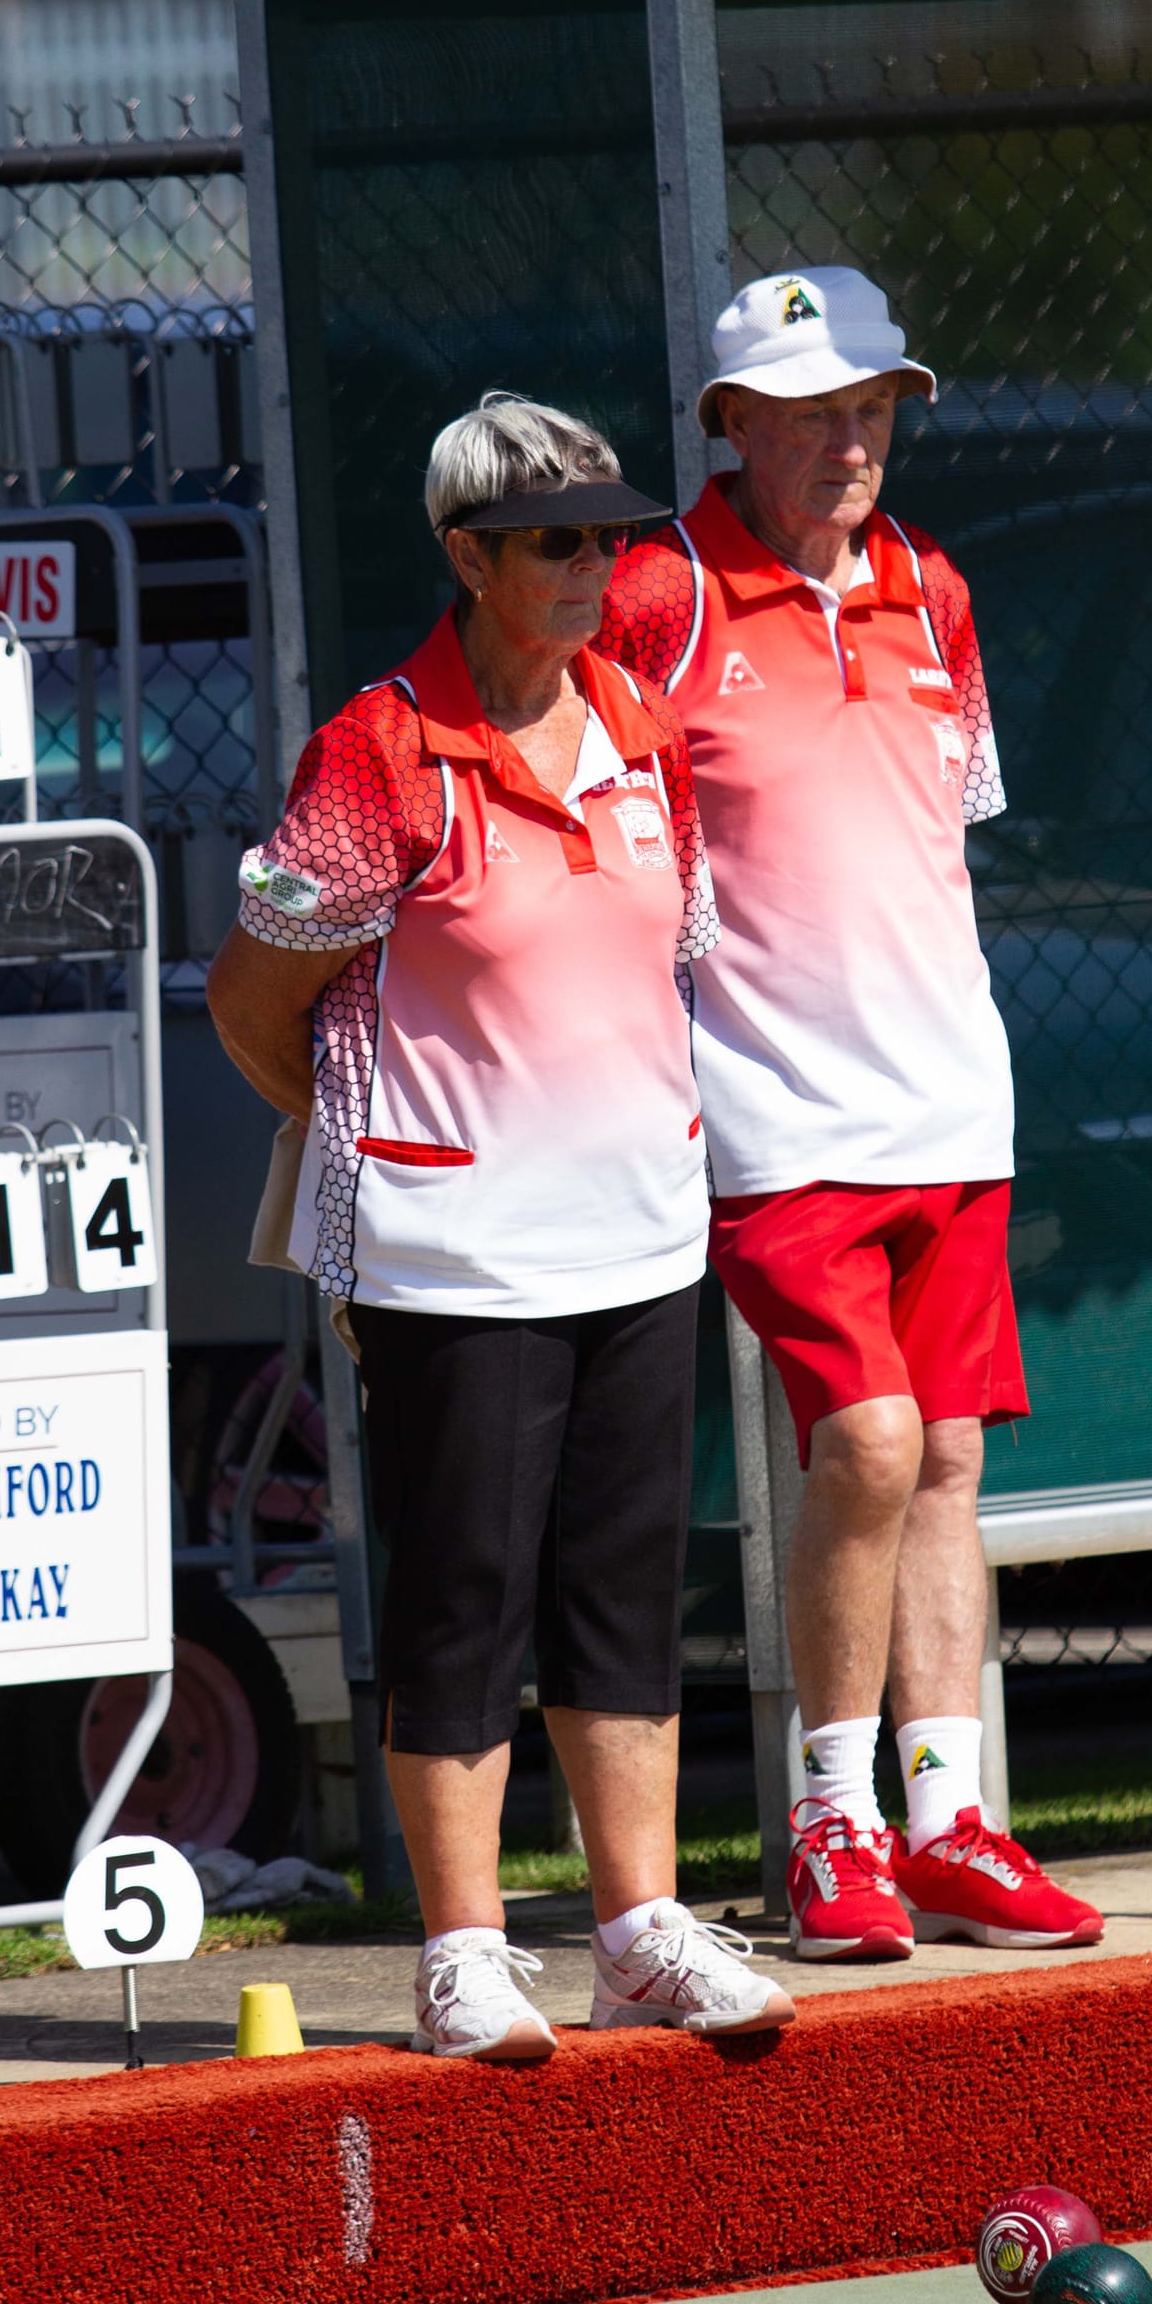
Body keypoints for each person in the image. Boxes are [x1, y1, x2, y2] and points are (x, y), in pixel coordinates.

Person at [208, 395, 794, 2060]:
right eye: (555, 539)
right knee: (465, 1593)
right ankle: (463, 1952)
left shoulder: (640, 720)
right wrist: (373, 1139)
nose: (594, 564)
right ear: (467, 556)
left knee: (622, 1592)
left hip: (640, 1234)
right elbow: (255, 1001)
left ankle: (637, 1930)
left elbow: (660, 941)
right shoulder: (374, 752)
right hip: (451, 1260)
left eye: (608, 534)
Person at [599, 270, 1103, 1961]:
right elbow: (611, 836)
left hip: (951, 1104)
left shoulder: (930, 588)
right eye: (812, 412)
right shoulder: (655, 595)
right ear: (730, 426)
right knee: (871, 1444)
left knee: (948, 1457)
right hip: (770, 1119)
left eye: (874, 404)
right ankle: (832, 1826)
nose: (852, 439)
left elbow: (946, 824)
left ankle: (951, 1824)